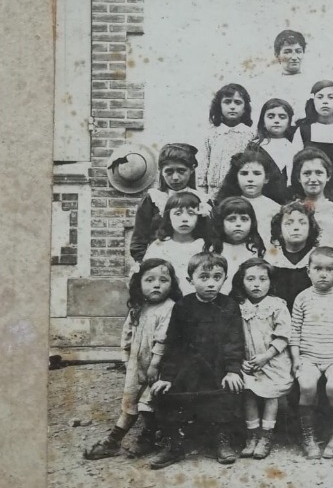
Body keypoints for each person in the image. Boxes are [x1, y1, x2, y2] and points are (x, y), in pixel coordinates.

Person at [148, 252, 246, 469]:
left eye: (217, 277)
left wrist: (232, 370)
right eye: (204, 277)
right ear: (190, 280)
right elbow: (173, 344)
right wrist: (167, 377)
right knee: (167, 394)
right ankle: (174, 443)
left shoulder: (229, 305)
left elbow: (234, 342)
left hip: (216, 365)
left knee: (228, 390)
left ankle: (222, 438)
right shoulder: (183, 306)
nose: (211, 283)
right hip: (187, 366)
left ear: (224, 279)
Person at [83, 259, 182, 460]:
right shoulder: (138, 307)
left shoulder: (170, 308)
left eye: (163, 280)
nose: (156, 285)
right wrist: (126, 359)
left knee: (148, 403)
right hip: (136, 366)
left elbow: (163, 340)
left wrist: (155, 365)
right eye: (150, 280)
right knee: (130, 403)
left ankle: (148, 438)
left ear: (172, 284)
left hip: (157, 368)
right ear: (139, 284)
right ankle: (113, 442)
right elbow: (127, 334)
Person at [289, 246, 333, 459]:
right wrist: (296, 358)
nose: (323, 274)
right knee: (307, 386)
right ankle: (308, 436)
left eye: (330, 269)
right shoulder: (302, 298)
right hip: (309, 357)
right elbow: (294, 331)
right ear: (308, 271)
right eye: (318, 269)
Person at [231, 258, 294, 460]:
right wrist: (241, 359)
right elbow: (233, 336)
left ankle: (266, 435)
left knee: (271, 394)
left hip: (272, 359)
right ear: (241, 281)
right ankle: (252, 435)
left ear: (271, 282)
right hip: (249, 360)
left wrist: (267, 356)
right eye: (250, 279)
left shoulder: (277, 305)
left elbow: (284, 335)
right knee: (248, 393)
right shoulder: (238, 306)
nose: (256, 284)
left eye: (262, 279)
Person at [130, 143, 210, 263]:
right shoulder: (153, 199)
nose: (175, 177)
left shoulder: (203, 200)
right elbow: (139, 240)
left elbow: (211, 236)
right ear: (161, 171)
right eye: (169, 171)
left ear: (192, 169)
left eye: (181, 171)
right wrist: (145, 264)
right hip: (160, 261)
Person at [291, 81, 333, 198]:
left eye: (330, 97)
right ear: (312, 102)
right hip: (308, 188)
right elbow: (294, 163)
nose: (325, 101)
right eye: (320, 97)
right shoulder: (303, 130)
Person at [288, 147, 333, 258]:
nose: (313, 179)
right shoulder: (291, 210)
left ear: (328, 176)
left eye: (319, 173)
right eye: (307, 173)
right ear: (299, 177)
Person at [143, 192, 209, 295]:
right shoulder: (159, 247)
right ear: (168, 218)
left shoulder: (205, 246)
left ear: (198, 217)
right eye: (178, 213)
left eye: (191, 213)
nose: (184, 219)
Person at [215, 149, 282, 248]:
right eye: (244, 173)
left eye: (257, 173)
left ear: (266, 178)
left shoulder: (275, 208)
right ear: (236, 178)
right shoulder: (228, 206)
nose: (250, 179)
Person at [199, 83, 257, 197]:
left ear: (245, 108)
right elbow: (203, 165)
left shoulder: (251, 134)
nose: (232, 106)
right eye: (227, 102)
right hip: (214, 192)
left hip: (241, 192)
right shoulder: (211, 134)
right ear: (219, 106)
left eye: (238, 102)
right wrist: (202, 193)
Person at [203, 197, 266, 295]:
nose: (238, 224)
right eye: (231, 219)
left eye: (244, 219)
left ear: (252, 222)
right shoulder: (213, 249)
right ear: (221, 222)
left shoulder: (257, 249)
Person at [265, 201, 318, 308]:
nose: (296, 228)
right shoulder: (272, 259)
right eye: (289, 223)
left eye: (302, 223)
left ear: (310, 228)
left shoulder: (317, 257)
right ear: (280, 231)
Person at [252, 98, 298, 203]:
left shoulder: (294, 147)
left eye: (282, 117)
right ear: (263, 122)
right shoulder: (255, 147)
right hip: (262, 200)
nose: (276, 120)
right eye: (271, 116)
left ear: (289, 122)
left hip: (288, 201)